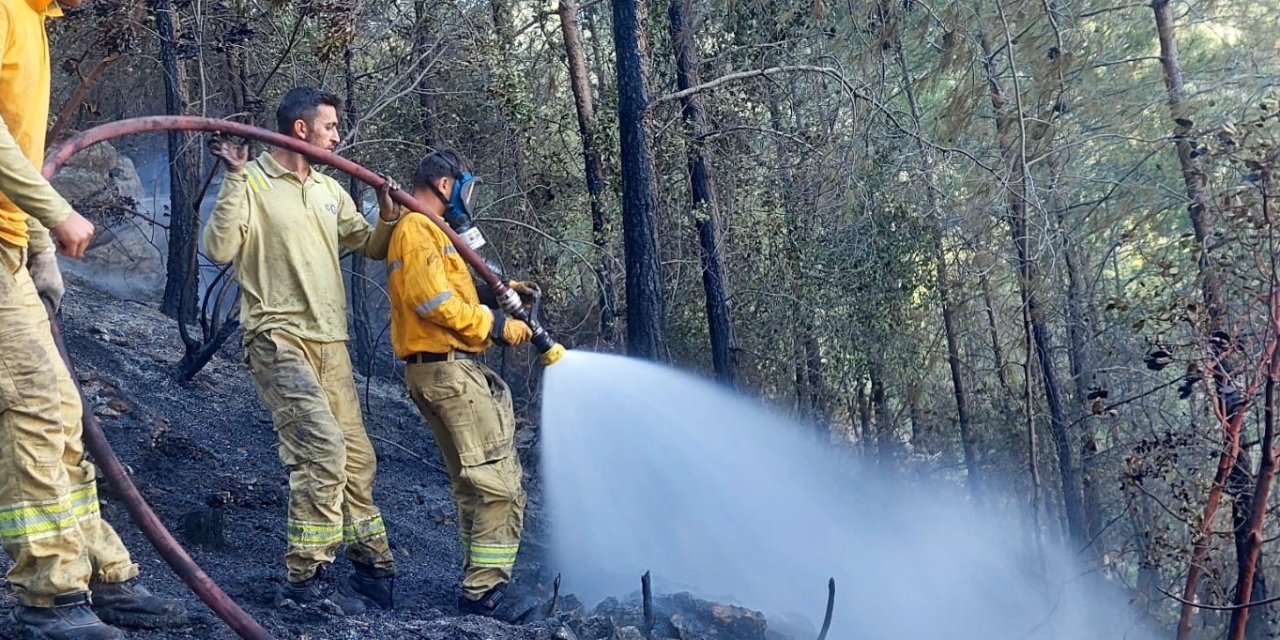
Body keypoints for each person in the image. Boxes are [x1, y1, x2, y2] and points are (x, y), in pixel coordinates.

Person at [0, 0, 190, 638]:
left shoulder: (34, 20)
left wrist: (37, 246)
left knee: (58, 407)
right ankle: (49, 598)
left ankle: (100, 574)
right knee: (33, 406)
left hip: (7, 245)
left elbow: (16, 146)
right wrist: (53, 212)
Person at [203, 86, 401, 613]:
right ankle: (305, 580)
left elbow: (371, 245)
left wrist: (386, 214)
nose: (338, 136)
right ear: (301, 130)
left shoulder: (330, 191)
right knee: (322, 450)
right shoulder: (255, 181)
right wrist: (233, 176)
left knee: (357, 459)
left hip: (331, 343)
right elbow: (218, 248)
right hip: (278, 339)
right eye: (331, 127)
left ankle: (369, 565)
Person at [385, 150, 533, 619]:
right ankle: (484, 594)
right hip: (448, 371)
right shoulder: (417, 228)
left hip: (440, 371)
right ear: (445, 185)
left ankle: (478, 585)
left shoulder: (429, 232)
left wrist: (499, 292)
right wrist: (496, 326)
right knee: (498, 487)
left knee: (474, 486)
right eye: (463, 190)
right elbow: (434, 304)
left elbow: (448, 292)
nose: (465, 201)